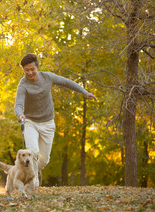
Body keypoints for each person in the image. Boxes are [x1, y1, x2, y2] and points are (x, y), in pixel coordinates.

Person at [15, 53, 97, 187]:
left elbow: (67, 82)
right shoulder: (23, 84)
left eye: (32, 69)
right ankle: (33, 183)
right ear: (23, 70)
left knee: (45, 159)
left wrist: (84, 92)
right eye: (26, 70)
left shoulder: (47, 77)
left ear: (37, 67)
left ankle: (37, 170)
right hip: (30, 122)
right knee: (33, 151)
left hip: (47, 123)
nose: (29, 72)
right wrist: (20, 115)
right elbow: (18, 103)